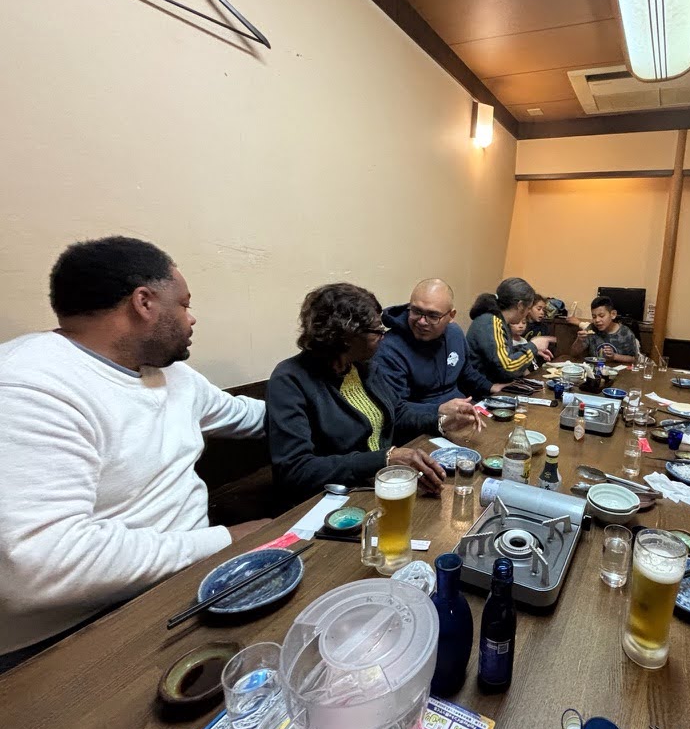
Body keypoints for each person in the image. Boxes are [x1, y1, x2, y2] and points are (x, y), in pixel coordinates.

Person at [0, 237, 269, 672]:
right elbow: (38, 563)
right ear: (144, 303)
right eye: (184, 304)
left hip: (190, 583)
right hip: (70, 636)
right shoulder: (28, 384)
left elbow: (254, 417)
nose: (191, 317)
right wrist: (225, 539)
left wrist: (331, 403)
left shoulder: (173, 376)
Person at [266, 283, 483, 501]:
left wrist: (440, 419)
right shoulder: (290, 380)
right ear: (346, 336)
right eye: (377, 331)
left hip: (381, 483)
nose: (383, 336)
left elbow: (398, 411)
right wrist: (384, 459)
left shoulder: (362, 367)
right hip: (334, 498)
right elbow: (295, 470)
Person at [373, 279, 503, 430]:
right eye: (416, 311)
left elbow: (466, 373)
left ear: (451, 316)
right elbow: (396, 411)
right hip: (421, 427)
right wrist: (439, 410)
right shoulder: (389, 349)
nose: (422, 321)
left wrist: (492, 387)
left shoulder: (455, 333)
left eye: (433, 316)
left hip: (461, 416)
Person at [466, 277, 555, 383]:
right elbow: (508, 368)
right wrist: (533, 346)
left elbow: (501, 354)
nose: (527, 313)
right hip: (481, 388)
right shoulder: (492, 323)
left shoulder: (499, 320)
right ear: (520, 305)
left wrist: (534, 350)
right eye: (528, 308)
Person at [569, 295, 638, 365]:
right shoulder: (591, 329)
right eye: (594, 317)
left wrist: (614, 356)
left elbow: (634, 359)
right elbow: (573, 354)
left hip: (618, 370)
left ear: (613, 314)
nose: (597, 320)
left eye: (601, 316)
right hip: (594, 369)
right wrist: (579, 340)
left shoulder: (625, 333)